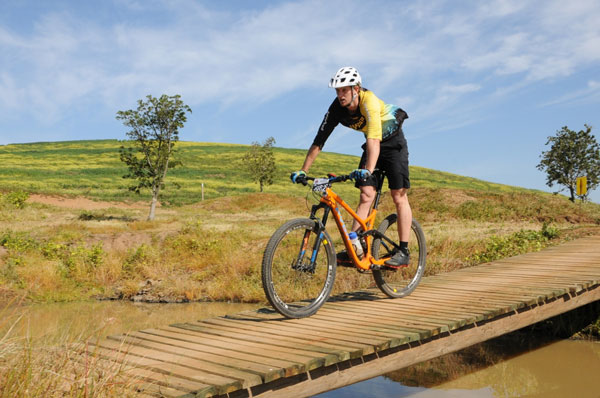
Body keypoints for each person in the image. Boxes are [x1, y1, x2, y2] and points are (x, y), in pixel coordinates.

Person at [290, 66, 412, 266]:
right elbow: (319, 140)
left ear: (356, 89)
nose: (340, 95)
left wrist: (368, 171)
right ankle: (355, 247)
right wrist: (304, 170)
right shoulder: (337, 108)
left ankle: (404, 251)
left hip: (392, 143)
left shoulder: (368, 101)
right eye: (337, 91)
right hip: (373, 145)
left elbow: (374, 139)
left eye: (344, 90)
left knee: (398, 195)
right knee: (366, 194)